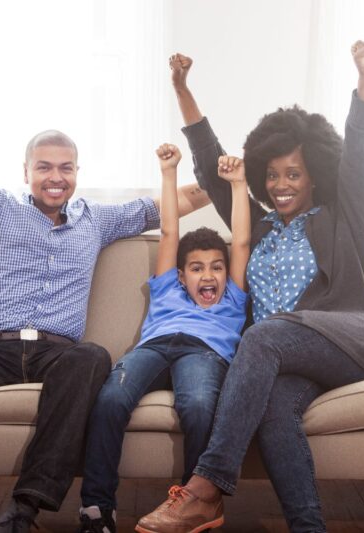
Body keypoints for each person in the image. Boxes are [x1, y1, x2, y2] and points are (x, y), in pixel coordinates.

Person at [0, 8, 210, 533]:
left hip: (58, 353)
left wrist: (232, 169)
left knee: (92, 357)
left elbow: (180, 200)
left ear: (78, 173)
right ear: (25, 171)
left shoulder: (97, 219)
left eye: (66, 167)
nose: (56, 177)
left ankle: (22, 512)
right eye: (44, 167)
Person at [136, 41, 364, 533]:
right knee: (275, 413)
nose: (281, 184)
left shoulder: (343, 218)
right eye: (272, 174)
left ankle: (205, 490)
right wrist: (181, 90)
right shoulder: (262, 227)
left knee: (263, 333)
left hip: (349, 343)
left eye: (293, 173)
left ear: (315, 175)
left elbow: (360, 158)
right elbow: (211, 166)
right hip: (287, 359)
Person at [77, 144, 250, 533]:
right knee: (110, 398)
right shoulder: (167, 287)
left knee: (201, 405)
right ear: (181, 274)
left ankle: (194, 508)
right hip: (154, 348)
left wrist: (239, 184)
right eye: (196, 268)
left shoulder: (235, 296)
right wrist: (169, 172)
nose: (208, 276)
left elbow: (240, 241)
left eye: (216, 268)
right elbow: (169, 230)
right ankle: (96, 509)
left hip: (205, 355)